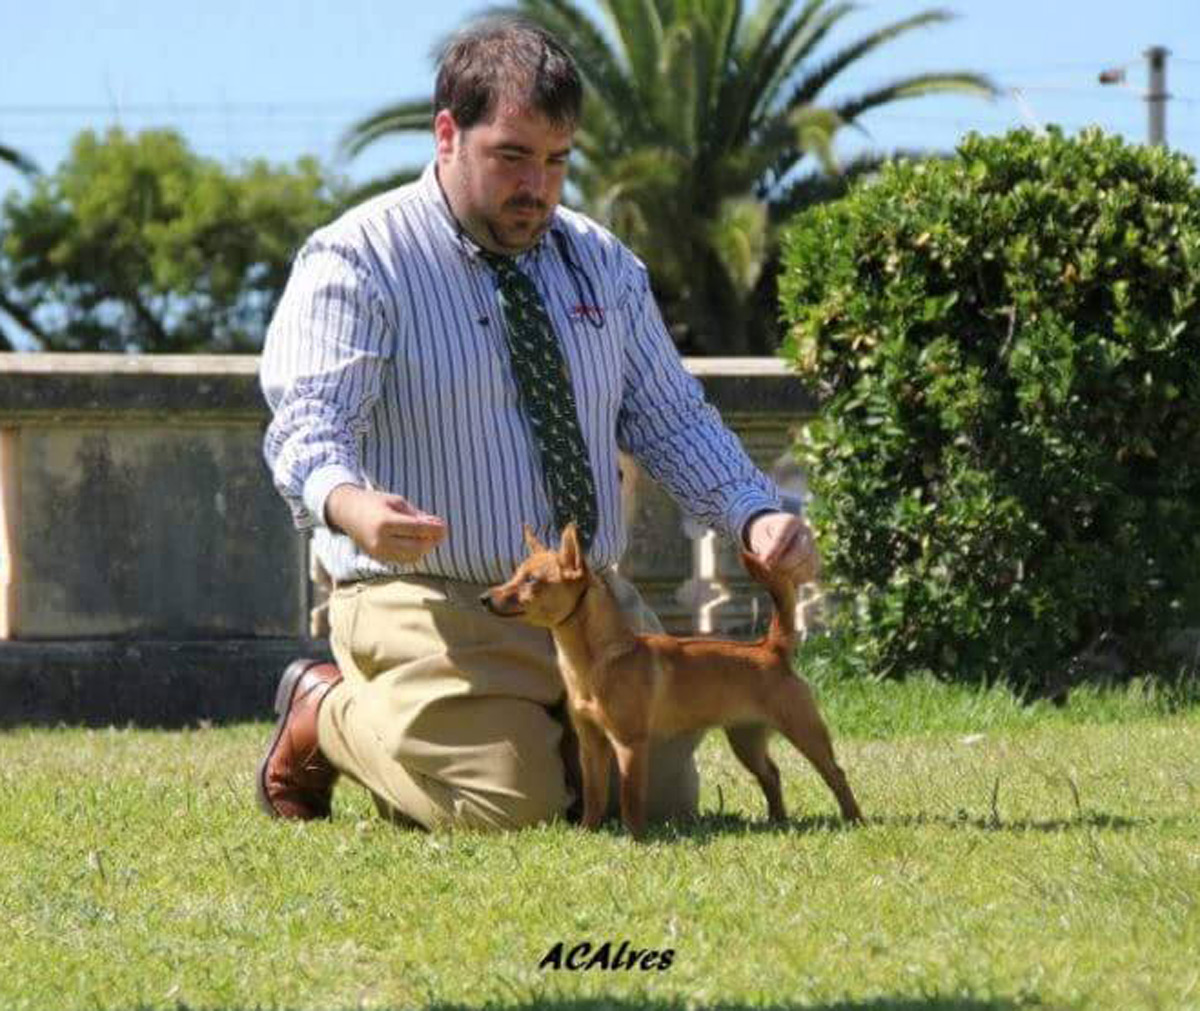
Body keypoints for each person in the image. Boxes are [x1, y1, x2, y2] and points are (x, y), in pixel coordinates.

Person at [256, 17, 818, 831]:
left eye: (558, 160)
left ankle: (519, 739)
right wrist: (351, 504)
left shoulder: (604, 264)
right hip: (428, 597)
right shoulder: (358, 258)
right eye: (513, 156)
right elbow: (305, 424)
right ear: (447, 134)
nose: (540, 186)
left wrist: (755, 512)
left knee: (654, 805)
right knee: (505, 807)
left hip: (591, 605)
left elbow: (669, 416)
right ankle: (324, 709)